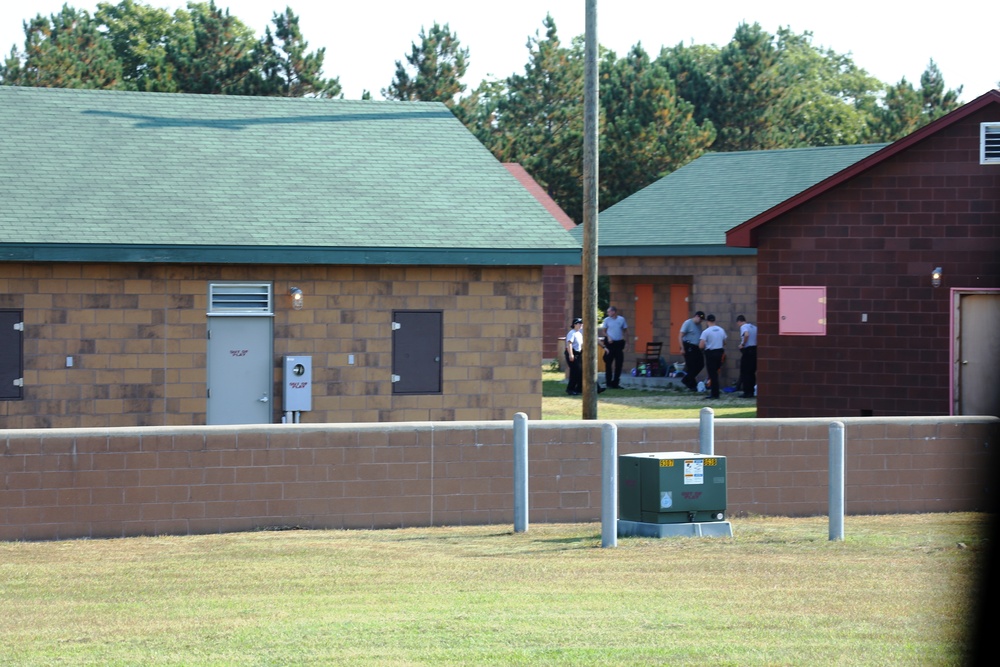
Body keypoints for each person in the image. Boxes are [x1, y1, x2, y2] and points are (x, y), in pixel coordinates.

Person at [698, 314, 726, 400]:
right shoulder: (721, 330)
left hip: (711, 353)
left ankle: (714, 394)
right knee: (716, 373)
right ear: (714, 320)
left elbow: (701, 345)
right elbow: (724, 342)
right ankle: (715, 392)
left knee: (712, 374)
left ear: (707, 321)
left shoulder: (706, 332)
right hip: (719, 352)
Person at [600, 306, 628, 388]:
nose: (608, 313)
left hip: (619, 343)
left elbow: (625, 331)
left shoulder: (621, 319)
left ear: (614, 312)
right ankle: (608, 382)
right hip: (610, 344)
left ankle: (616, 382)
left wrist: (627, 342)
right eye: (608, 312)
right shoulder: (606, 320)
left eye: (609, 312)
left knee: (619, 363)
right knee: (608, 363)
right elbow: (604, 331)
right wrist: (608, 337)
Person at [678, 311, 705, 391]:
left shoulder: (699, 325)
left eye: (702, 319)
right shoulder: (688, 323)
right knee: (691, 366)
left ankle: (686, 380)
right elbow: (680, 336)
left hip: (696, 347)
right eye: (700, 319)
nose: (701, 321)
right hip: (688, 346)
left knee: (700, 364)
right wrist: (682, 348)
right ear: (696, 316)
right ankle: (692, 385)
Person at [736, 315, 758, 398]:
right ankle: (751, 391)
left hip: (748, 351)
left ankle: (747, 392)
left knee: (745, 372)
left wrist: (742, 344)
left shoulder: (743, 326)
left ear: (739, 321)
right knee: (752, 373)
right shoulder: (754, 327)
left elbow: (746, 334)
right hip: (755, 350)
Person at [564, 317, 584, 395]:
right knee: (575, 372)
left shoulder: (579, 333)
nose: (581, 325)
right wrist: (571, 354)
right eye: (579, 323)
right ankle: (570, 389)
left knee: (580, 372)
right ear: (575, 324)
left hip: (578, 354)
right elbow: (569, 343)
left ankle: (579, 389)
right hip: (572, 353)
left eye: (581, 323)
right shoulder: (572, 333)